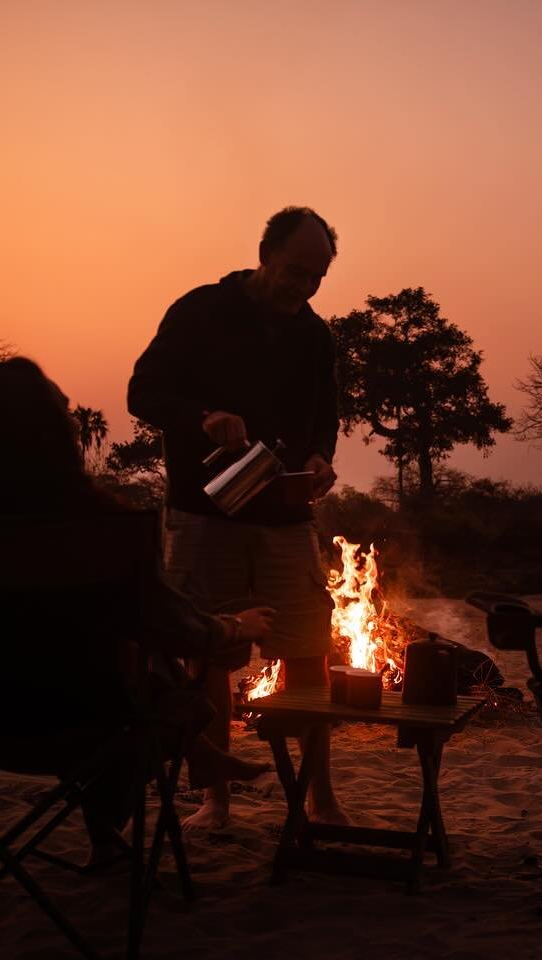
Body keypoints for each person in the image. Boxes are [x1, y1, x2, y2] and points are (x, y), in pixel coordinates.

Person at [0, 356, 274, 865]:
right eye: (67, 413)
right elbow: (172, 626)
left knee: (132, 675)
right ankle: (115, 828)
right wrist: (235, 626)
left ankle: (192, 759)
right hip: (76, 720)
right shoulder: (99, 529)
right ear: (56, 438)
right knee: (149, 693)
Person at [127, 207, 343, 831]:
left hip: (284, 515)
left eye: (317, 276)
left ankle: (318, 794)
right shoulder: (199, 311)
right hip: (204, 511)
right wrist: (202, 416)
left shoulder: (316, 337)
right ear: (265, 255)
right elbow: (143, 392)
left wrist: (320, 457)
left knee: (307, 650)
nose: (304, 286)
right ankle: (215, 800)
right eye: (296, 271)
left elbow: (325, 418)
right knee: (208, 654)